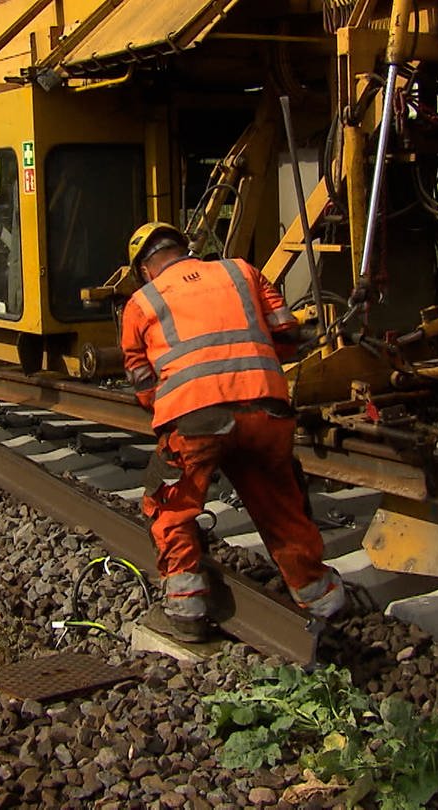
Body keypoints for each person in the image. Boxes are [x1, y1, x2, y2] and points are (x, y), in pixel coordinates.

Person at [121, 222, 345, 642]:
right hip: (266, 408)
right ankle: (322, 599)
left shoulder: (141, 302)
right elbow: (286, 331)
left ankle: (187, 609)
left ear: (145, 269)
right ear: (187, 249)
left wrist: (171, 405)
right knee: (282, 505)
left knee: (172, 507)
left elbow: (140, 377)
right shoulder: (241, 271)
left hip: (195, 420)